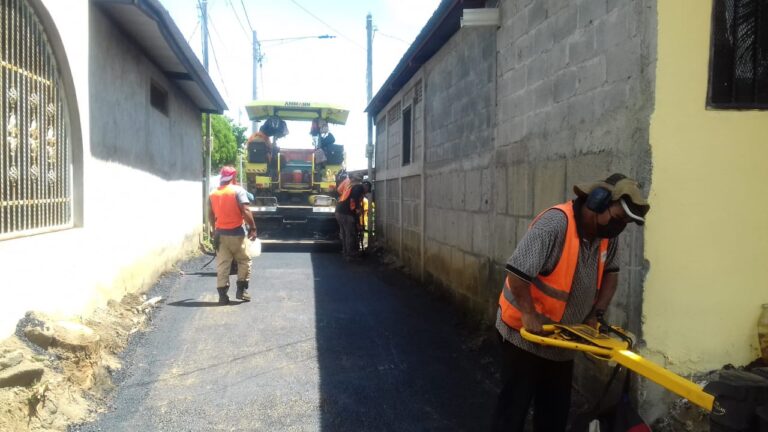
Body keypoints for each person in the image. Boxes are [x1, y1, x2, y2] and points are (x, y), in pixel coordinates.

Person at [492, 173, 650, 432]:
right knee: (512, 412)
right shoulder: (555, 224)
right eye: (618, 219)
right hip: (523, 335)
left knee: (554, 414)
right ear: (597, 203)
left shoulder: (606, 235)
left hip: (562, 340)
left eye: (624, 224)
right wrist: (529, 313)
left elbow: (612, 275)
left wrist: (596, 315)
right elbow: (517, 272)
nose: (618, 228)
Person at [208, 166, 257, 305]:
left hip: (220, 234)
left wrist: (213, 230)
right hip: (237, 234)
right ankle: (241, 291)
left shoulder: (213, 193)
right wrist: (253, 227)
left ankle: (223, 296)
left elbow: (211, 215)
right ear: (233, 177)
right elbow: (246, 210)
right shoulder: (238, 190)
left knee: (223, 264)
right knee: (244, 260)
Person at [335, 175, 371, 261]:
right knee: (350, 234)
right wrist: (358, 209)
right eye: (367, 191)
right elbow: (354, 205)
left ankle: (346, 252)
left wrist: (358, 222)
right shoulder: (358, 188)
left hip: (339, 212)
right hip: (345, 213)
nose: (366, 193)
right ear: (366, 187)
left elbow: (354, 207)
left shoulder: (353, 187)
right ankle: (351, 255)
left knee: (344, 233)